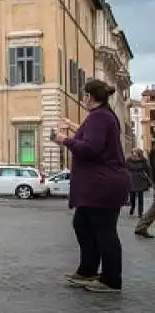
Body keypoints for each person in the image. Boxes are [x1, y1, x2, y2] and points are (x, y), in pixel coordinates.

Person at [54, 79, 129, 293]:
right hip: (101, 184)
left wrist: (64, 140)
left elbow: (90, 148)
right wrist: (71, 128)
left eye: (84, 95)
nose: (82, 98)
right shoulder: (102, 116)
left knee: (104, 232)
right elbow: (91, 138)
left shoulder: (99, 117)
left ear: (90, 97)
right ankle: (87, 271)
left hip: (102, 184)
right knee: (83, 224)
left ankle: (111, 280)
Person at [125, 148, 151, 218]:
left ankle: (140, 212)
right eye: (133, 152)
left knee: (140, 197)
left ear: (139, 153)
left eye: (135, 152)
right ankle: (132, 207)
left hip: (140, 179)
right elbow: (125, 169)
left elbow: (147, 169)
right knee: (132, 196)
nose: (134, 153)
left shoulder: (143, 160)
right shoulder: (128, 160)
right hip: (132, 179)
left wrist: (149, 178)